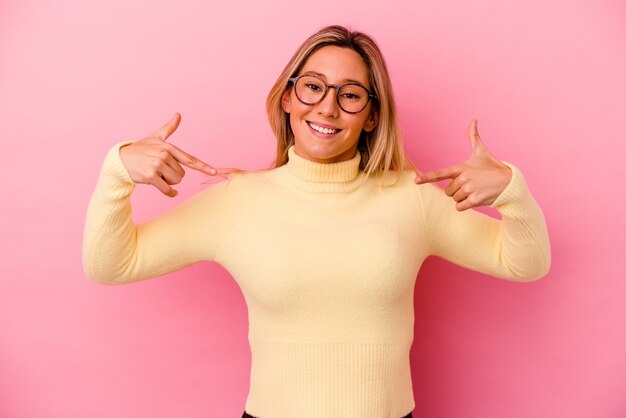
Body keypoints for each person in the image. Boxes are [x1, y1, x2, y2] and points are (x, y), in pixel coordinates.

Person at [82, 24, 551, 418]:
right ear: (287, 98)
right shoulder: (235, 202)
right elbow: (113, 264)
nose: (327, 107)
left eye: (350, 95)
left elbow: (523, 263)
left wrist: (512, 190)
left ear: (370, 117)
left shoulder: (412, 199)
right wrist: (116, 171)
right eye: (312, 86)